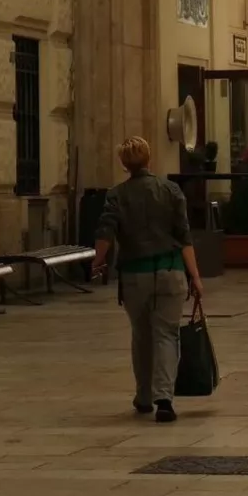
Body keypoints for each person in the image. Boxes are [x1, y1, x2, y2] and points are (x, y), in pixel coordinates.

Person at [91, 136, 204, 423]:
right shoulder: (171, 190)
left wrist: (97, 261)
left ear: (123, 163)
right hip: (171, 270)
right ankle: (164, 397)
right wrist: (195, 276)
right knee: (167, 334)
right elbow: (184, 236)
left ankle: (143, 396)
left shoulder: (116, 195)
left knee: (141, 334)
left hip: (134, 275)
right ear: (150, 158)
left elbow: (105, 233)